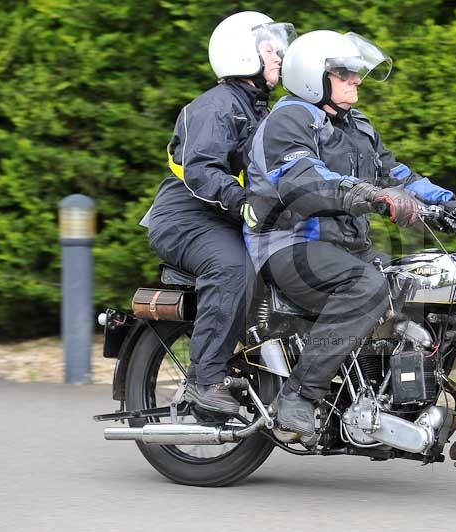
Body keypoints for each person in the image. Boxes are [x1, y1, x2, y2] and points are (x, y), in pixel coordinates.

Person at [243, 30, 456, 436]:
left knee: (420, 285)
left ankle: (384, 396)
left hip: (345, 245)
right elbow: (306, 180)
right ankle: (300, 393)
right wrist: (372, 194)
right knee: (366, 287)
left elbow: (399, 175)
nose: (356, 80)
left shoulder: (357, 126)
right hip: (291, 243)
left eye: (356, 73)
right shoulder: (288, 120)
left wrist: (453, 206)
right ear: (314, 76)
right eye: (344, 73)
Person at [144, 12, 296, 415]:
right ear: (241, 54)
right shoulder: (215, 107)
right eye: (270, 48)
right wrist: (242, 201)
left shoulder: (264, 111)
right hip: (187, 220)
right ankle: (204, 378)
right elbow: (201, 169)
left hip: (228, 219)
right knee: (232, 267)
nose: (279, 55)